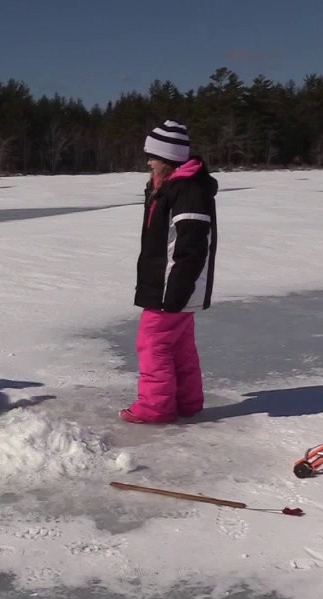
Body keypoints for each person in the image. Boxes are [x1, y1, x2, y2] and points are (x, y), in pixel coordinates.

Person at [121, 120, 219, 424]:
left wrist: (176, 290)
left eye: (153, 157)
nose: (149, 162)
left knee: (153, 343)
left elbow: (191, 245)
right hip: (171, 285)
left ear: (168, 159)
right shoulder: (172, 187)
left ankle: (156, 406)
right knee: (179, 346)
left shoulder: (186, 190)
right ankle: (187, 401)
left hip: (172, 287)